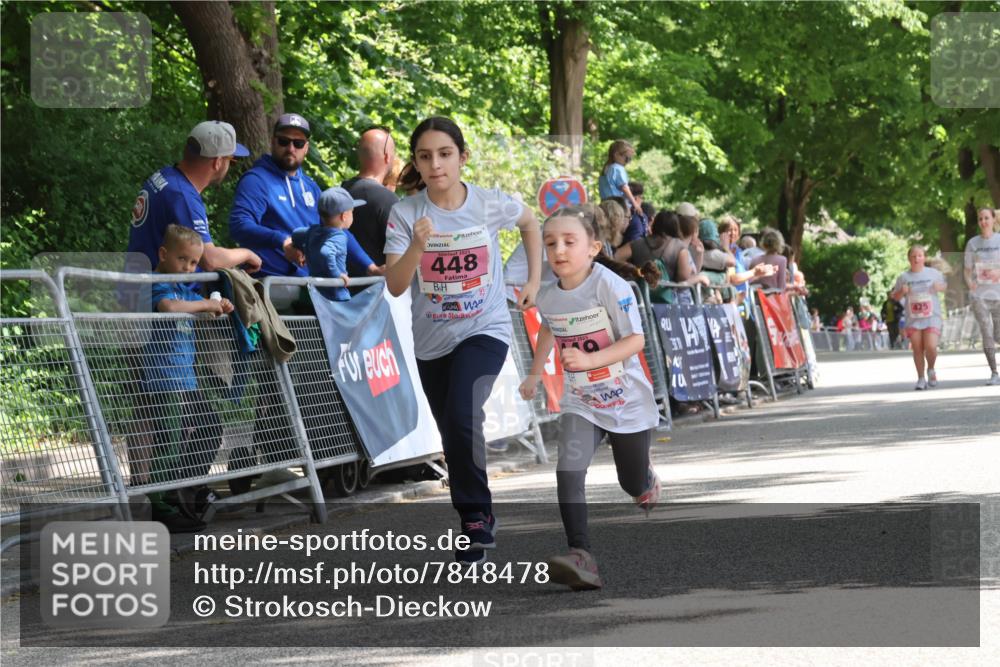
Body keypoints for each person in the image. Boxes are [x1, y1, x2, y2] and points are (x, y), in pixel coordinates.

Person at [384, 117, 542, 566]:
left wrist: (531, 279)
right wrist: (417, 247)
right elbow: (396, 285)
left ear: (462, 157)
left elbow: (530, 222)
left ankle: (474, 518)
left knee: (463, 411)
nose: (436, 164)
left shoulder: (488, 203)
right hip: (432, 341)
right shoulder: (405, 212)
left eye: (445, 154)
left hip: (484, 329)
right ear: (415, 161)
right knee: (452, 429)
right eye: (425, 156)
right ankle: (478, 513)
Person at [519, 206, 661, 591]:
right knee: (568, 471)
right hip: (582, 400)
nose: (559, 250)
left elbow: (636, 340)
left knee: (631, 483)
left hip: (625, 399)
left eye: (569, 242)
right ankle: (580, 554)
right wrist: (534, 374)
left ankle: (646, 478)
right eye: (550, 244)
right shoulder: (549, 295)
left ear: (594, 247)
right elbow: (549, 329)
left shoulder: (610, 286)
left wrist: (590, 359)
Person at [229, 113, 379, 308]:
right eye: (284, 141)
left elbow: (336, 230)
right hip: (271, 288)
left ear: (306, 148)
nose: (291, 148)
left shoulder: (310, 186)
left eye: (298, 143)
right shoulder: (256, 181)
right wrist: (281, 241)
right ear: (273, 142)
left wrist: (371, 268)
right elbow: (239, 225)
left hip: (310, 289)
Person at [143, 225, 235, 533]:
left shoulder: (185, 289)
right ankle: (159, 504)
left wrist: (217, 306)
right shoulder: (159, 284)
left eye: (194, 263)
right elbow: (168, 307)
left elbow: (195, 305)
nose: (188, 268)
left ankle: (180, 486)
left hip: (187, 380)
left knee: (211, 427)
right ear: (163, 255)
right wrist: (206, 304)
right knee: (169, 439)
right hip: (164, 380)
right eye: (183, 259)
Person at [127, 121, 261, 274]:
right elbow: (210, 260)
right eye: (231, 161)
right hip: (160, 293)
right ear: (218, 162)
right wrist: (247, 254)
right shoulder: (183, 198)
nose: (230, 166)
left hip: (139, 285)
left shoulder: (165, 175)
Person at [291, 187, 366, 301]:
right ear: (344, 216)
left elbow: (295, 234)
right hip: (336, 294)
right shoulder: (339, 236)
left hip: (317, 294)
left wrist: (301, 250)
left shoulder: (312, 231)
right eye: (352, 212)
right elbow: (326, 252)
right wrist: (337, 275)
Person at [341, 126, 399, 267]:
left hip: (340, 284)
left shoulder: (341, 191)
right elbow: (401, 253)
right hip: (375, 285)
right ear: (387, 157)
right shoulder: (387, 200)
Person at [892, 245, 947, 390]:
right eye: (913, 256)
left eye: (920, 255)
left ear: (924, 257)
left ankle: (931, 369)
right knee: (917, 348)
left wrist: (938, 287)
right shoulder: (904, 277)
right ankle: (921, 378)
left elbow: (944, 286)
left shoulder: (933, 273)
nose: (917, 259)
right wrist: (902, 292)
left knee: (931, 346)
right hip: (914, 318)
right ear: (909, 258)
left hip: (932, 315)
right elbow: (895, 297)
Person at [964, 207, 1000, 385]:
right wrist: (970, 283)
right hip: (980, 295)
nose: (983, 222)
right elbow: (967, 270)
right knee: (986, 332)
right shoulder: (972, 243)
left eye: (986, 218)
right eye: (980, 219)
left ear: (993, 219)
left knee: (998, 334)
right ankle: (994, 372)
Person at [597, 140, 641, 214]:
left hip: (605, 206)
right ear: (616, 155)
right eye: (627, 158)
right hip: (617, 207)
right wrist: (635, 203)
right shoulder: (617, 168)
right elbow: (624, 187)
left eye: (630, 159)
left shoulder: (606, 169)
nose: (628, 162)